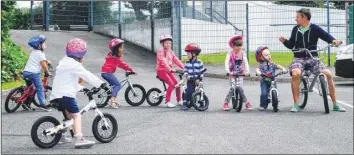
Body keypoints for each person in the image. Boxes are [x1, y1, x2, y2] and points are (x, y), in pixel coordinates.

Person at [279, 8, 346, 112]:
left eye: (297, 17)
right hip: (299, 58)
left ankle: (335, 104)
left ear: (304, 17)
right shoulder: (295, 29)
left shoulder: (314, 28)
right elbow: (291, 45)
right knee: (296, 74)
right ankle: (296, 104)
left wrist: (334, 41)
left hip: (313, 57)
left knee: (328, 74)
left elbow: (325, 36)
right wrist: (284, 41)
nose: (295, 19)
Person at [50, 38, 106, 148]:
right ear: (80, 54)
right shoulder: (75, 65)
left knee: (69, 118)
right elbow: (87, 75)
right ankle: (79, 139)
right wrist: (100, 84)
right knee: (76, 116)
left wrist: (82, 88)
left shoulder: (63, 63)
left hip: (56, 96)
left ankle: (61, 136)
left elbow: (68, 82)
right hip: (66, 96)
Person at [101, 38, 135, 108]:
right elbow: (123, 64)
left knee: (113, 85)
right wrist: (131, 70)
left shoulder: (111, 55)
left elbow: (120, 65)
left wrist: (127, 69)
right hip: (108, 73)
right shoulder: (116, 58)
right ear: (116, 49)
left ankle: (113, 98)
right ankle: (112, 100)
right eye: (121, 48)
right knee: (118, 85)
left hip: (104, 72)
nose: (122, 49)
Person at [223, 35, 252, 111]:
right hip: (232, 73)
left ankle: (246, 102)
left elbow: (246, 62)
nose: (239, 48)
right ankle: (226, 103)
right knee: (232, 87)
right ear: (233, 46)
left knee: (240, 88)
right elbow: (226, 62)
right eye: (237, 46)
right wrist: (228, 71)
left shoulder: (243, 53)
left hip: (240, 73)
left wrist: (247, 71)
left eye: (240, 46)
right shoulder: (229, 53)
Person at [23, 35, 51, 111]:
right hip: (34, 73)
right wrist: (47, 72)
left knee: (31, 88)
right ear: (39, 45)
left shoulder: (34, 52)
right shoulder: (41, 53)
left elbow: (41, 60)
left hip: (26, 72)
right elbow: (44, 66)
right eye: (44, 43)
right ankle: (42, 104)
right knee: (40, 88)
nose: (46, 44)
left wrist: (46, 61)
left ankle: (26, 103)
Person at [255, 46, 287, 111]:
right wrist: (258, 72)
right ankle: (263, 105)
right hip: (264, 81)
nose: (269, 56)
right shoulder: (260, 64)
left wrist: (283, 69)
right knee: (264, 93)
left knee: (275, 90)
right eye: (266, 55)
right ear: (261, 57)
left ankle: (276, 103)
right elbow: (257, 69)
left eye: (269, 54)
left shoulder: (272, 63)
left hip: (272, 80)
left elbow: (277, 65)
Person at [156, 34, 184, 108]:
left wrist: (184, 67)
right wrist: (169, 69)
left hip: (168, 71)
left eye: (169, 43)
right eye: (166, 43)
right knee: (171, 84)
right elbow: (163, 61)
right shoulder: (160, 51)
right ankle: (167, 101)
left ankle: (179, 100)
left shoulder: (170, 51)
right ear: (162, 43)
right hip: (161, 71)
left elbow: (176, 59)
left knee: (177, 84)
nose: (168, 44)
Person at [182, 43, 205, 111]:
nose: (187, 55)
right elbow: (185, 71)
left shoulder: (199, 62)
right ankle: (185, 104)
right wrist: (187, 76)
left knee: (201, 90)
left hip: (198, 79)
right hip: (190, 80)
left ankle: (201, 102)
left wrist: (200, 79)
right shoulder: (187, 63)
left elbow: (202, 71)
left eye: (188, 53)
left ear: (194, 54)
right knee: (189, 91)